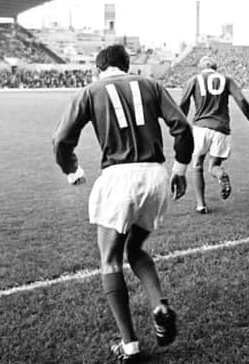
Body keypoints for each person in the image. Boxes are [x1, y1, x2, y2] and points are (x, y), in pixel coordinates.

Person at [52, 44, 194, 362]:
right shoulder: (151, 85)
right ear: (127, 64)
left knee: (110, 259)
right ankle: (159, 305)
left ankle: (129, 346)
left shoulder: (91, 90)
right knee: (136, 250)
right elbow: (182, 127)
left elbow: (61, 139)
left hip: (119, 177)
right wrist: (180, 169)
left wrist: (72, 169)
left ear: (99, 67)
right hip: (155, 176)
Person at [179, 55, 249, 214]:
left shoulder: (193, 80)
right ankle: (221, 175)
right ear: (215, 67)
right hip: (221, 128)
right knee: (214, 165)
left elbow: (183, 104)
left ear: (201, 67)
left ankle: (201, 205)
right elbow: (241, 99)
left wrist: (180, 126)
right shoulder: (227, 79)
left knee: (197, 165)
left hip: (200, 128)